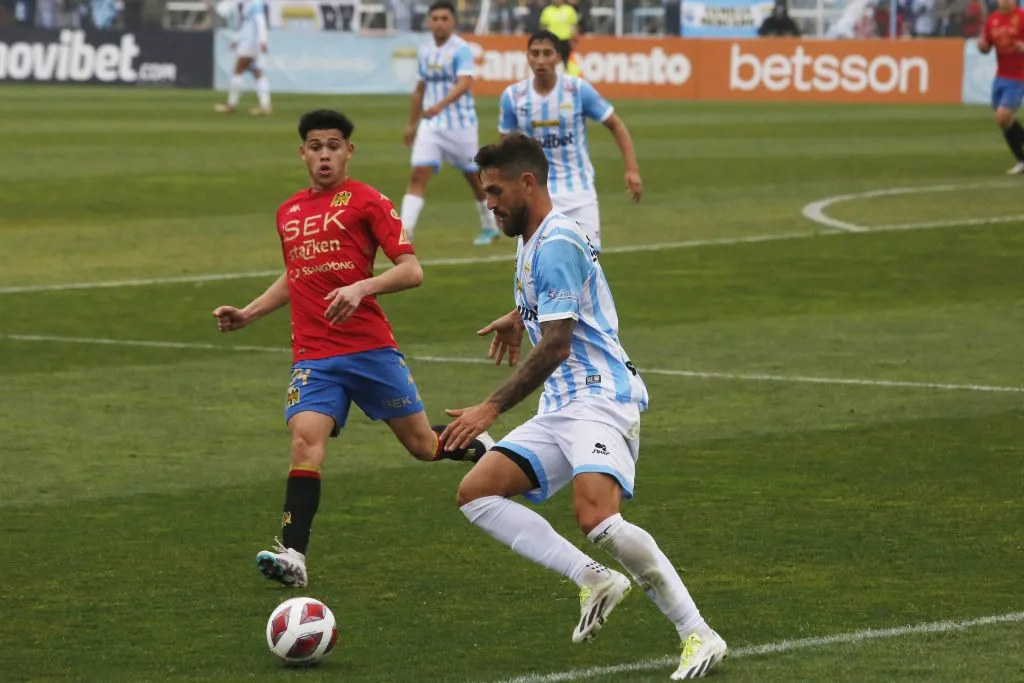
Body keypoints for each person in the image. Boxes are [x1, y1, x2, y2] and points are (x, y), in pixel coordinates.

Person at [441, 134, 727, 680]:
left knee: (597, 516)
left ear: (528, 182)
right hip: (561, 403)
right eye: (485, 193)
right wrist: (517, 314)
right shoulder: (534, 238)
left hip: (599, 395)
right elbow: (559, 301)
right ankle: (595, 578)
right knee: (476, 493)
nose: (490, 203)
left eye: (496, 190)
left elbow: (557, 344)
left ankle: (699, 634)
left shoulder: (556, 242)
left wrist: (490, 409)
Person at [212, 109, 492, 588]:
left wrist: (362, 288)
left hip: (369, 350)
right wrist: (250, 313)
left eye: (334, 145)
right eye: (316, 146)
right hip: (314, 356)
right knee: (305, 442)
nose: (325, 155)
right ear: (303, 152)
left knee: (424, 447)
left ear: (349, 151)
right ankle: (293, 555)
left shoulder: (367, 202)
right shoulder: (289, 211)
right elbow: (294, 274)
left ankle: (490, 450)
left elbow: (411, 270)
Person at [497, 31, 642, 252]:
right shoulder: (513, 96)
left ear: (558, 57)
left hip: (579, 195)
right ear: (528, 57)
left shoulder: (578, 90)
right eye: (535, 53)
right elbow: (505, 151)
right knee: (533, 270)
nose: (541, 60)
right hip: (535, 195)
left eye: (547, 53)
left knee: (587, 265)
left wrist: (632, 169)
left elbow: (616, 125)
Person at [400, 0, 501, 246]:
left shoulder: (461, 49)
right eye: (435, 19)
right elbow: (420, 88)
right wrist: (411, 124)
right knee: (418, 175)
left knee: (474, 178)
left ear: (453, 22)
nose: (439, 23)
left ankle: (490, 226)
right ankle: (404, 233)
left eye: (444, 19)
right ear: (428, 22)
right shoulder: (425, 51)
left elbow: (465, 82)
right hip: (431, 126)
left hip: (460, 125)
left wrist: (440, 105)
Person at [979, 0, 1024, 174]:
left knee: (1002, 116)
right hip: (1000, 77)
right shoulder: (993, 20)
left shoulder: (1021, 17)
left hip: (1018, 76)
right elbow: (987, 45)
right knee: (1005, 122)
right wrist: (982, 47)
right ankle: (1021, 160)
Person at [214, 0, 272, 116]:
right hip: (250, 42)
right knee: (257, 72)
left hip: (250, 43)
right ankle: (265, 105)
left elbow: (260, 22)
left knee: (238, 70)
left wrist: (263, 41)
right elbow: (246, 26)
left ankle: (231, 104)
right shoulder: (249, 4)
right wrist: (236, 40)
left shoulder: (255, 3)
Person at [540, 0, 578, 68]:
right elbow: (544, 27)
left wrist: (573, 40)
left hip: (565, 40)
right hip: (551, 41)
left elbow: (574, 26)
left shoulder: (569, 10)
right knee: (551, 62)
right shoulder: (547, 10)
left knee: (567, 63)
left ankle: (566, 76)